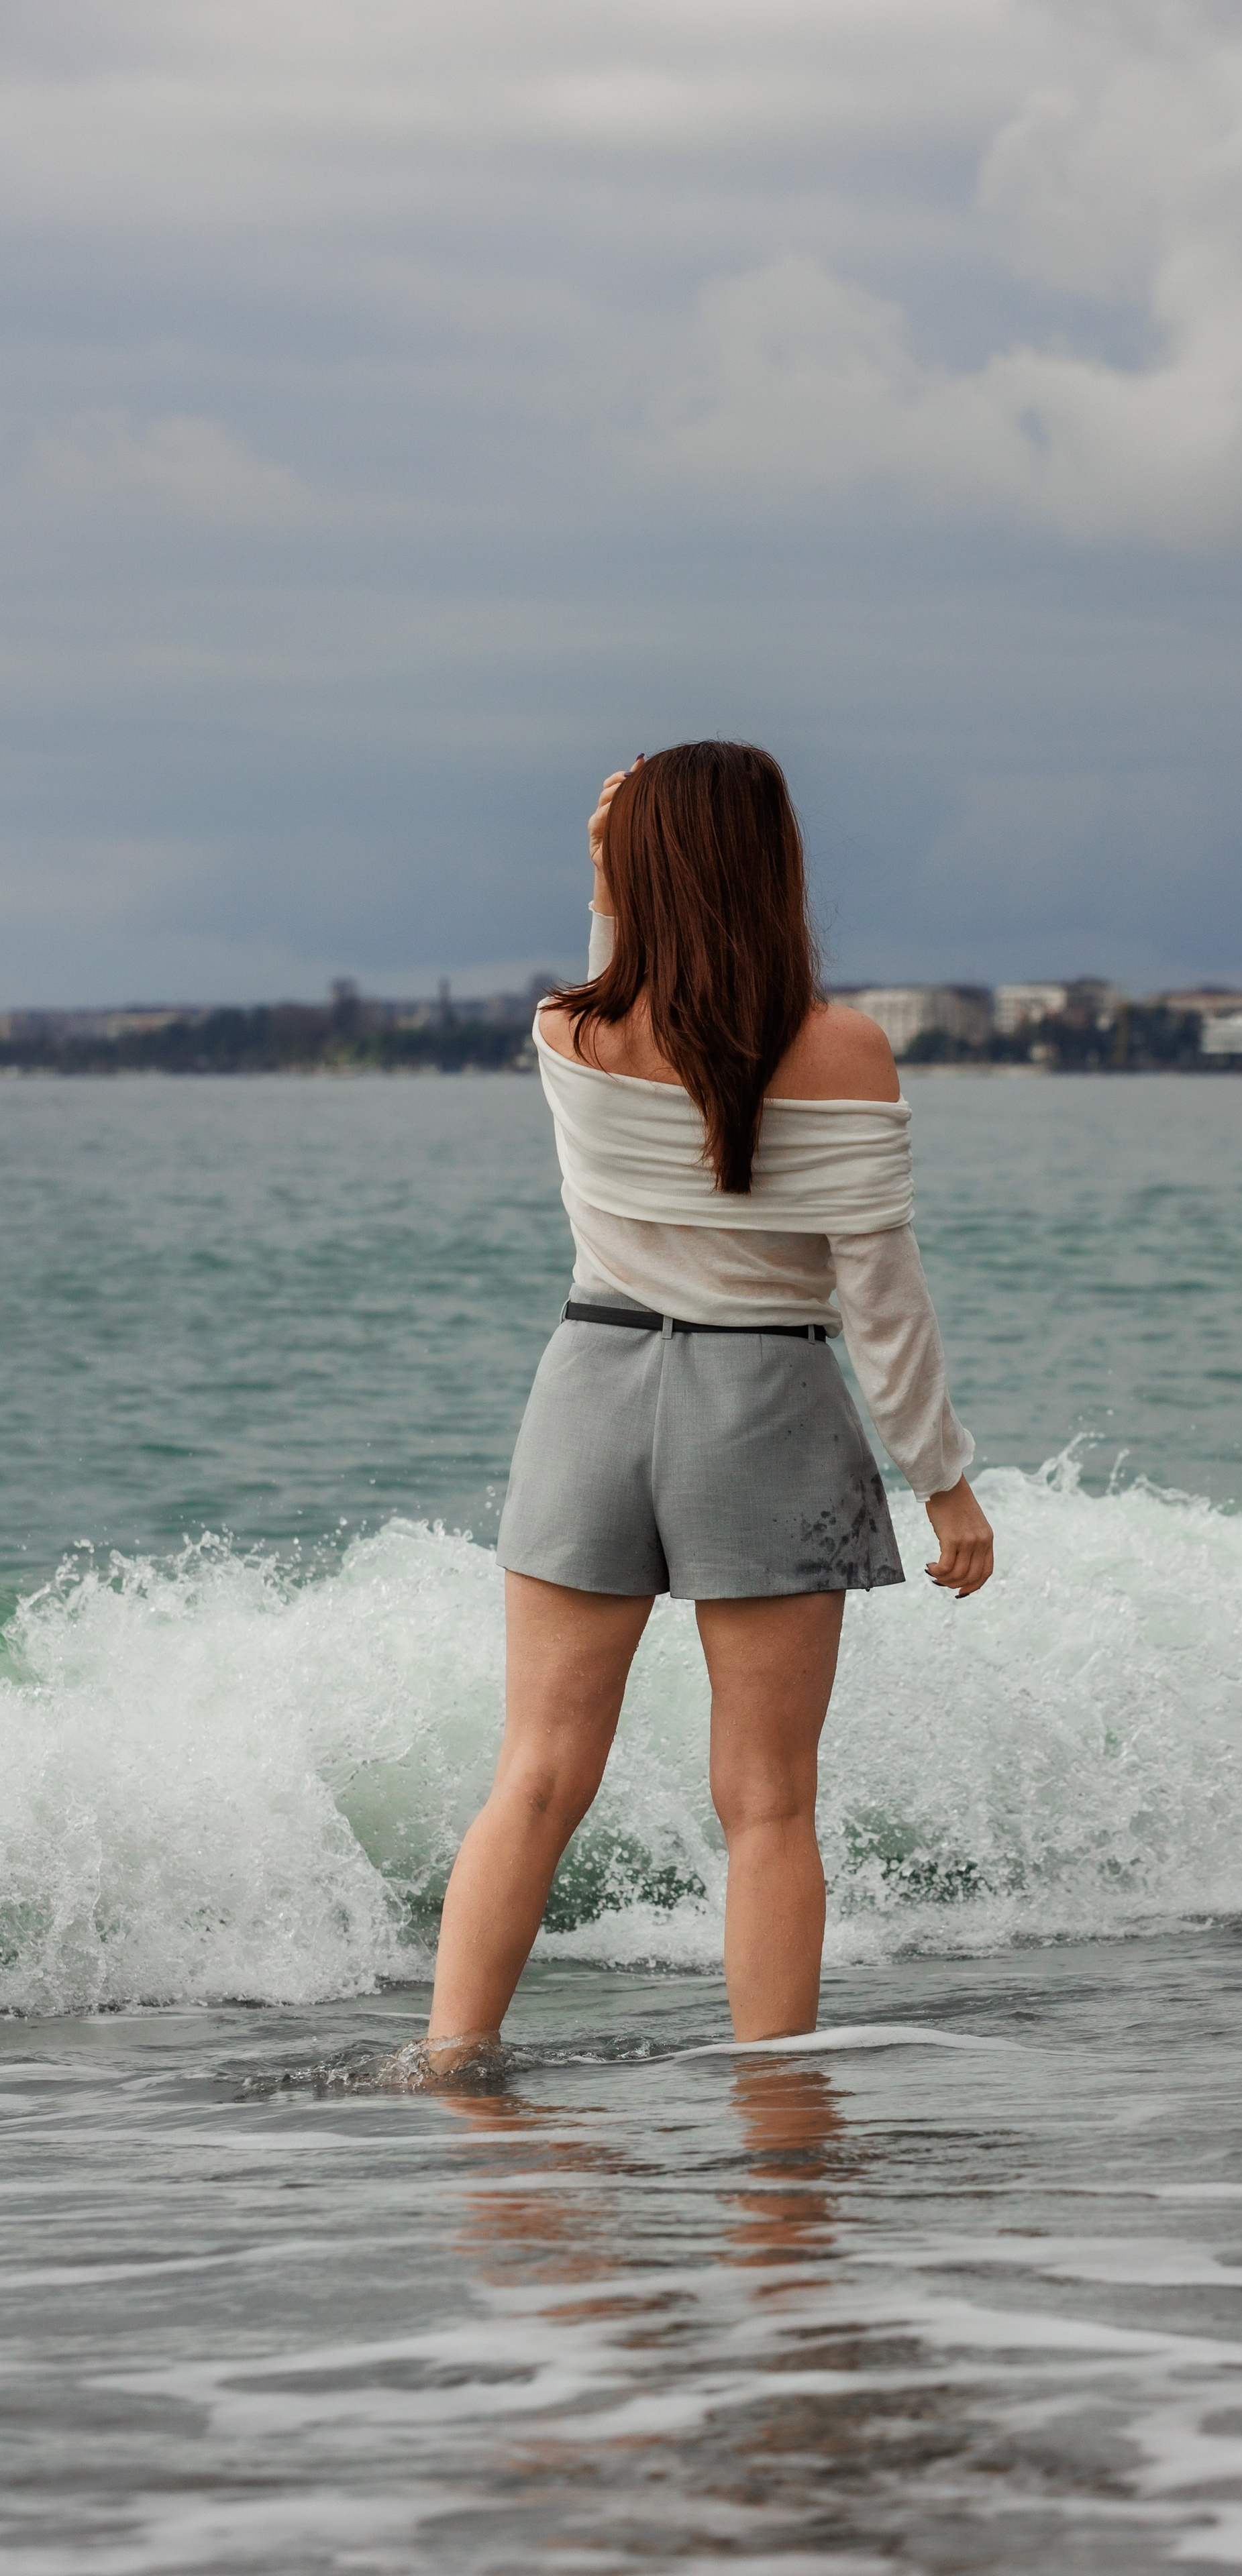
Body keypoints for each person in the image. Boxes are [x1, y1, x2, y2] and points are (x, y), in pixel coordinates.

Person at [425, 742, 991, 2068]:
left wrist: (602, 876)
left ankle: (451, 2063)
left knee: (539, 1773)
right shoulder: (842, 1050)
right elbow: (881, 1300)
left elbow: (626, 974)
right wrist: (941, 1479)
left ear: (634, 870)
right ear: (772, 863)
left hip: (591, 1391)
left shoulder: (567, 1028)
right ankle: (773, 2105)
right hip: (763, 1401)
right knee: (768, 1804)